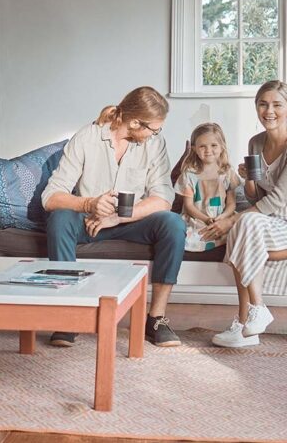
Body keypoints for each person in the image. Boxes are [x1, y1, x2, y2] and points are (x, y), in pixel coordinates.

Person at [41, 85, 186, 348]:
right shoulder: (87, 137)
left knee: (174, 224)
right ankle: (69, 315)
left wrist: (119, 216)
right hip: (90, 220)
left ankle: (156, 319)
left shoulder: (154, 144)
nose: (155, 134)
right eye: (153, 128)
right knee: (60, 219)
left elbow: (163, 198)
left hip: (131, 221)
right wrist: (89, 203)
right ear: (134, 122)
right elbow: (51, 196)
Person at [202, 80, 287, 348]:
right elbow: (255, 197)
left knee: (242, 224)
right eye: (263, 104)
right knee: (244, 226)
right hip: (267, 221)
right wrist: (249, 179)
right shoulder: (256, 143)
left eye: (277, 105)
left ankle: (246, 320)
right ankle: (250, 319)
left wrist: (231, 220)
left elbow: (279, 199)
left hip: (282, 220)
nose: (269, 111)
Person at [174, 123, 241, 252]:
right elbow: (189, 206)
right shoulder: (189, 174)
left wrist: (222, 217)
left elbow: (231, 203)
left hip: (222, 218)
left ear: (222, 147)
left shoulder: (227, 172)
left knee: (240, 232)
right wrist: (206, 219)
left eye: (214, 145)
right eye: (202, 146)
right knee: (192, 238)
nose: (208, 150)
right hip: (198, 218)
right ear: (194, 149)